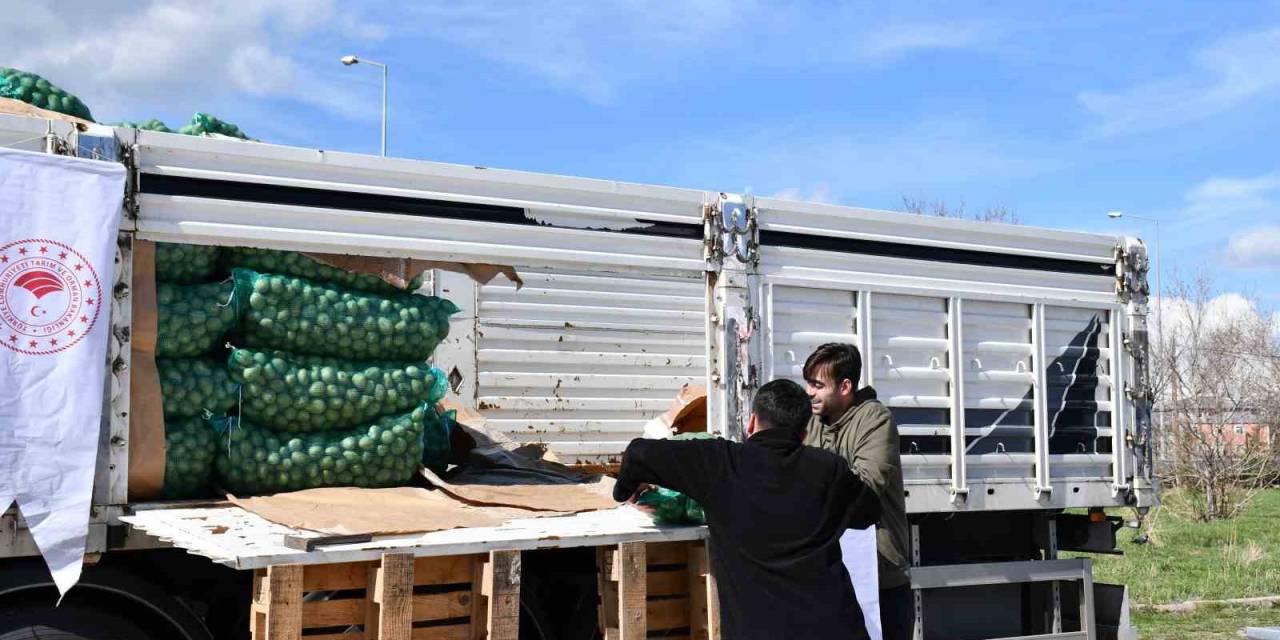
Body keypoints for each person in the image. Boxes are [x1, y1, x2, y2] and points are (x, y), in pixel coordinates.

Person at [614, 379, 881, 640]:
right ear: (803, 433)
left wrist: (625, 492)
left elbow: (638, 453)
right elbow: (870, 512)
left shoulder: (719, 462)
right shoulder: (828, 468)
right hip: (835, 628)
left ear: (752, 421)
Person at [802, 343, 914, 640]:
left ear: (845, 386)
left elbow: (866, 484)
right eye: (808, 383)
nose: (809, 392)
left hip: (879, 578)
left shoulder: (875, 419)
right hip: (828, 576)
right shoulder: (811, 423)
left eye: (817, 384)